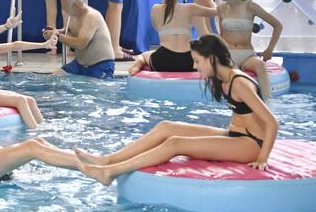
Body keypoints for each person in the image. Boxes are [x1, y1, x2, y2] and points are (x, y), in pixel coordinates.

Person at [76, 36, 279, 182]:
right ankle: (107, 160)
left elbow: (272, 122)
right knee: (167, 127)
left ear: (211, 58)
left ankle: (111, 171)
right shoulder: (223, 79)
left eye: (197, 60)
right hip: (236, 135)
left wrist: (262, 159)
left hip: (252, 145)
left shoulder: (240, 83)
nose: (194, 65)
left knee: (175, 143)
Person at [129, 0, 218, 76]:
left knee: (143, 55)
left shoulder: (155, 9)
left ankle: (136, 66)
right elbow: (216, 12)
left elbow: (156, 27)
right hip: (188, 60)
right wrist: (211, 3)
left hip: (162, 60)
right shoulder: (191, 8)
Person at [216, 0, 283, 100]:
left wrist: (270, 49)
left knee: (260, 66)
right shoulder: (221, 9)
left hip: (247, 55)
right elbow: (222, 35)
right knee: (234, 73)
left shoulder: (250, 6)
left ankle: (268, 102)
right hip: (228, 54)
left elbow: (277, 25)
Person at [47, 0, 117, 79]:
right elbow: (69, 29)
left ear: (75, 6)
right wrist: (55, 32)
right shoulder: (74, 15)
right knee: (53, 79)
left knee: (92, 90)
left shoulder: (92, 17)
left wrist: (59, 36)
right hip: (79, 65)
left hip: (100, 65)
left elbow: (81, 43)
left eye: (64, 5)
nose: (63, 9)